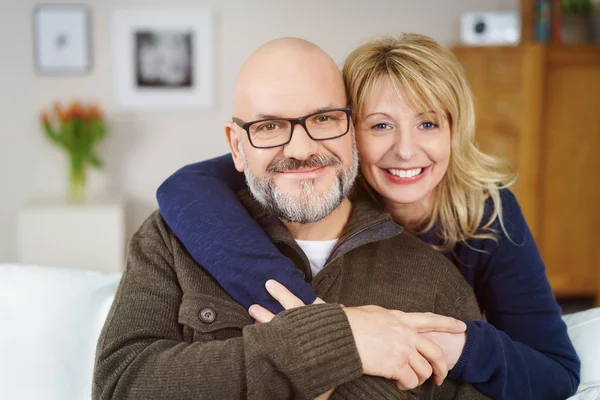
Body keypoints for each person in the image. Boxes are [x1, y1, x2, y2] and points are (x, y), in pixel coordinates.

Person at [156, 34, 581, 400]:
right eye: (380, 126)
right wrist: (324, 324)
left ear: (455, 129)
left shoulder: (488, 214)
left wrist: (460, 346)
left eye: (428, 124)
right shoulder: (323, 184)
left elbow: (555, 373)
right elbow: (184, 187)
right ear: (346, 128)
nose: (406, 150)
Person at [93, 37, 488, 400]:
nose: (300, 148)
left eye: (323, 119)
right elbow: (121, 386)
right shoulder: (168, 241)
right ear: (236, 145)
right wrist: (335, 342)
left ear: (351, 127)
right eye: (269, 126)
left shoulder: (434, 281)